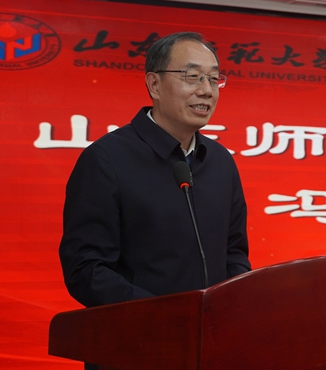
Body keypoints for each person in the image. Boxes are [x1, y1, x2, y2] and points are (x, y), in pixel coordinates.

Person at [60, 32, 251, 364]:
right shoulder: (107, 159)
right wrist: (163, 316)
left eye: (213, 78)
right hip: (133, 348)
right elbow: (86, 269)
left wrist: (236, 307)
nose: (206, 90)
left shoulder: (220, 161)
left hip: (209, 348)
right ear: (154, 84)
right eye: (192, 76)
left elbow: (234, 252)